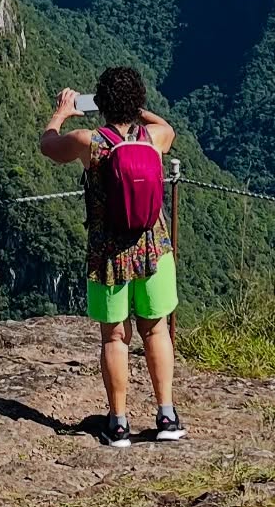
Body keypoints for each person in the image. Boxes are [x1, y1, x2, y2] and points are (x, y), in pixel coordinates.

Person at [41, 67, 186, 447]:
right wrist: (139, 111)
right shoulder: (154, 137)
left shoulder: (89, 143)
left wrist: (62, 111)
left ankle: (118, 423)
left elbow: (47, 145)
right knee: (155, 329)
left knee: (114, 337)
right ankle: (167, 415)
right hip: (154, 248)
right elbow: (168, 127)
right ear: (138, 102)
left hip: (109, 254)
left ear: (101, 104)